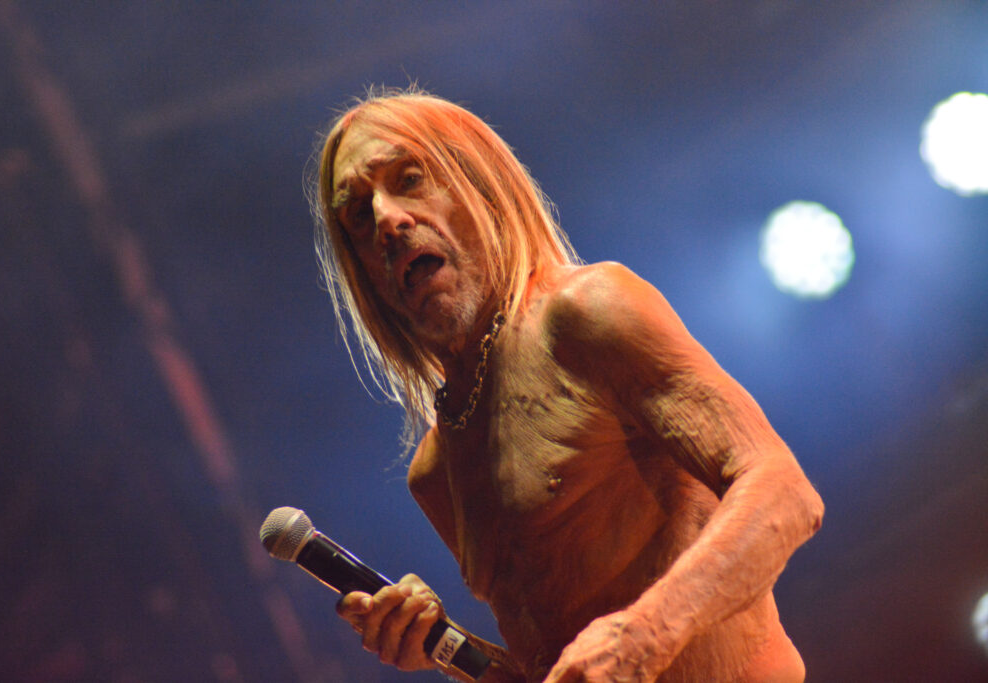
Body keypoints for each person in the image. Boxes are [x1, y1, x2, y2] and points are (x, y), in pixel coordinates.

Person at [310, 87, 824, 682]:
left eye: (410, 178)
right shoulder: (434, 471)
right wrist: (441, 648)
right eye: (357, 213)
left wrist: (645, 634)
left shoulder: (587, 313)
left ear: (478, 183)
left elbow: (785, 491)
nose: (387, 220)